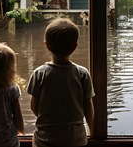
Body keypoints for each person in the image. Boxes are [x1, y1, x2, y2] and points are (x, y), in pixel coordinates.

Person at [26, 18, 95, 147]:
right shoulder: (82, 73)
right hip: (76, 140)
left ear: (46, 44)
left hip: (45, 140)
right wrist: (93, 132)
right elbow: (88, 108)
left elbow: (34, 106)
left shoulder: (39, 73)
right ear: (74, 47)